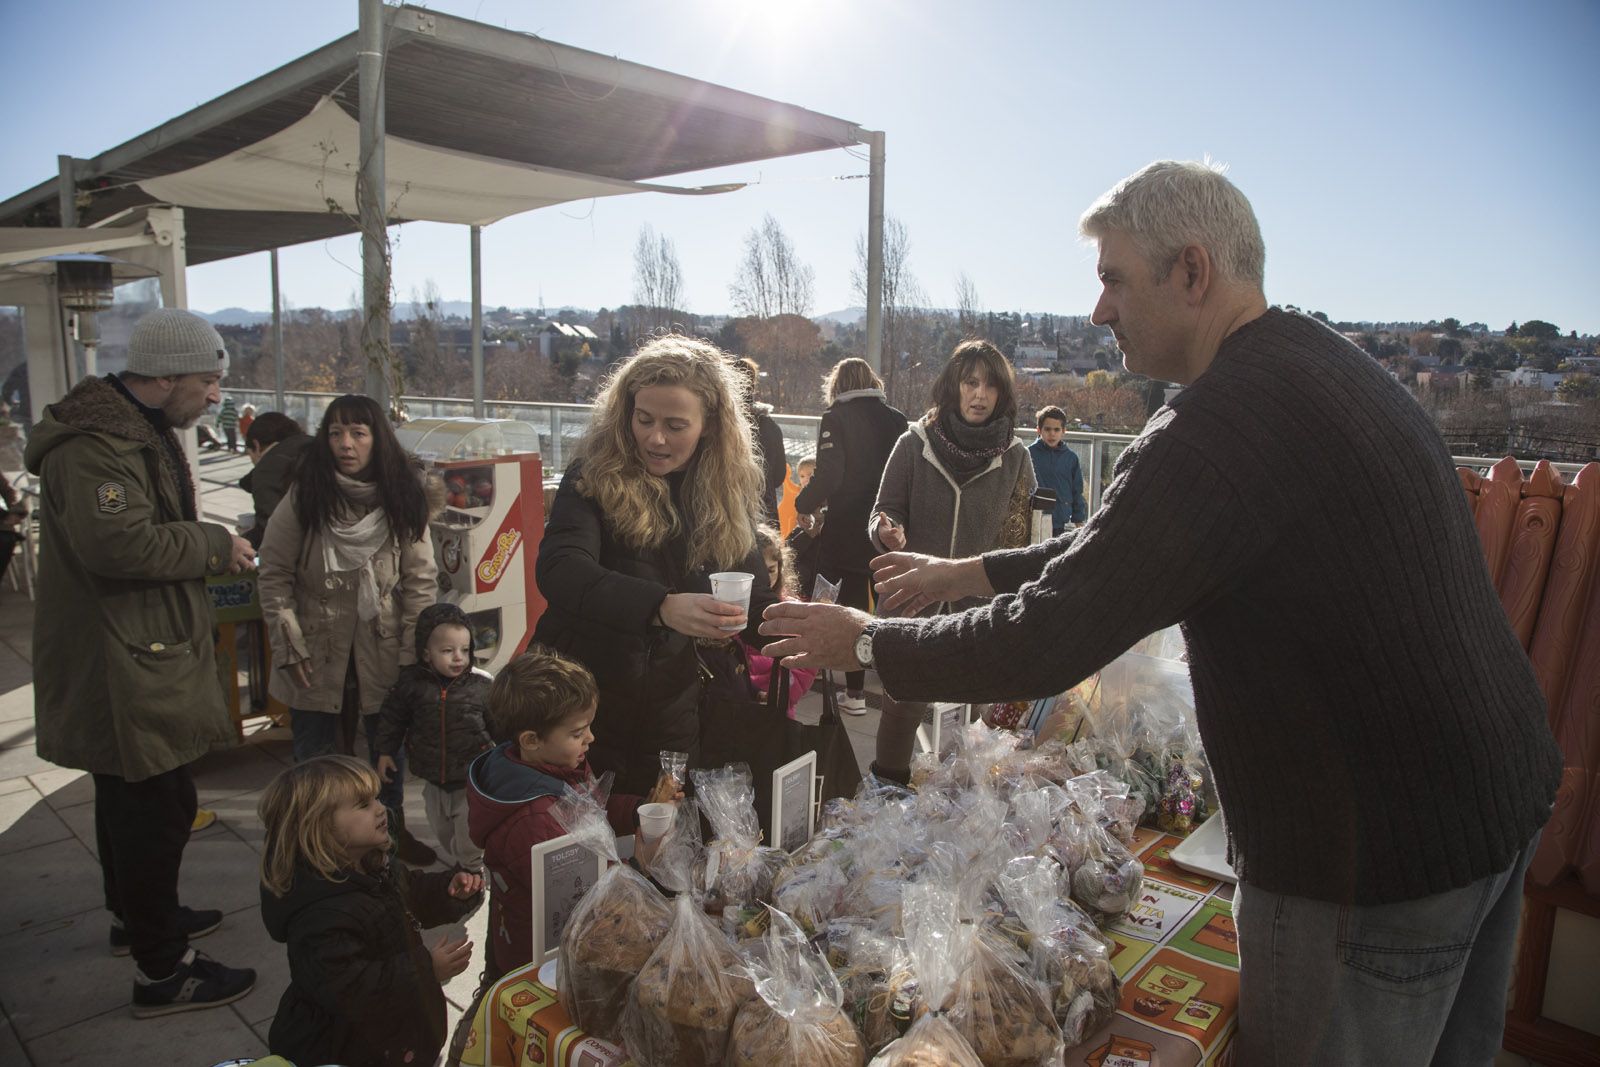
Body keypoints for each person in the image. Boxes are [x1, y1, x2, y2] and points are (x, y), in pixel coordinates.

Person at [759, 160, 1561, 1066]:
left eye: (1112, 279)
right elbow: (1130, 549)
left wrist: (868, 640)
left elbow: (1059, 629)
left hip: (1374, 860)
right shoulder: (1317, 365)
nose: (1099, 310)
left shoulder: (1220, 424)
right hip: (1489, 804)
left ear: (1192, 272)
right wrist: (962, 572)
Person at [25, 307, 258, 1016]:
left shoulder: (132, 430)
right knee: (155, 807)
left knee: (137, 799)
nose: (217, 397)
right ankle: (164, 970)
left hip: (134, 650)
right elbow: (119, 546)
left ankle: (140, 918)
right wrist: (216, 544)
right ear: (165, 377)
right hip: (122, 660)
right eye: (209, 381)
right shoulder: (97, 446)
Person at [532, 335, 778, 794]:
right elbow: (560, 568)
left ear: (709, 425)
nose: (655, 437)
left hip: (676, 707)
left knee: (664, 836)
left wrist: (805, 627)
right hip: (582, 705)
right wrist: (661, 607)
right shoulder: (593, 473)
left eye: (675, 425)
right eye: (643, 419)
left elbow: (754, 599)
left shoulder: (727, 488)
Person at [257, 393, 440, 866]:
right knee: (316, 766)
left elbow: (420, 585)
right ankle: (317, 857)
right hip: (316, 656)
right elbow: (273, 572)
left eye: (358, 432)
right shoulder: (306, 494)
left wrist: (412, 658)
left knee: (387, 764)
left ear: (378, 439)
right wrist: (287, 642)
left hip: (382, 655)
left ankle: (387, 849)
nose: (345, 443)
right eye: (335, 432)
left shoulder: (402, 497)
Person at [864, 339, 1033, 775]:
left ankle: (958, 811)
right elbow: (884, 511)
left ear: (1002, 395)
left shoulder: (1016, 458)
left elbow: (1020, 543)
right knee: (901, 713)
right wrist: (886, 530)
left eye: (990, 386)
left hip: (977, 608)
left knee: (973, 722)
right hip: (912, 602)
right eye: (970, 382)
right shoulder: (913, 443)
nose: (979, 394)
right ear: (953, 387)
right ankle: (886, 800)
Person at [465, 647, 677, 979]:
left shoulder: (556, 768)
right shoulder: (534, 818)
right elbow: (589, 897)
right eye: (577, 733)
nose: (590, 739)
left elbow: (593, 807)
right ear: (532, 740)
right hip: (545, 960)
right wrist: (639, 863)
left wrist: (638, 810)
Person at [259, 755, 483, 1067]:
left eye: (376, 798)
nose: (380, 808)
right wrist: (425, 970)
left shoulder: (369, 863)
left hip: (394, 1034)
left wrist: (449, 890)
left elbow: (411, 894)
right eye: (363, 805)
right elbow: (352, 990)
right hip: (348, 1047)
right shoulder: (320, 916)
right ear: (320, 828)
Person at [791, 358, 907, 711]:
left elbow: (830, 475)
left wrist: (803, 503)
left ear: (837, 385)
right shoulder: (897, 419)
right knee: (890, 605)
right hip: (889, 526)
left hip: (847, 530)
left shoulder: (835, 418)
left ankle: (854, 693)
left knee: (851, 608)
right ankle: (898, 690)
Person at [374, 603, 495, 873]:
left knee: (468, 835)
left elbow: (500, 725)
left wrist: (505, 758)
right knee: (442, 831)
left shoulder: (481, 688)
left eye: (465, 650)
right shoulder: (412, 686)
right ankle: (463, 859)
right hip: (433, 782)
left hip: (471, 781)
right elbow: (393, 719)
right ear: (427, 654)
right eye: (448, 651)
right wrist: (385, 751)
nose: (458, 658)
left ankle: (471, 869)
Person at [737, 525, 817, 718]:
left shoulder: (790, 608)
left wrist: (784, 690)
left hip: (777, 706)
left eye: (771, 570)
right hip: (737, 706)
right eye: (758, 573)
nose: (766, 578)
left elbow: (806, 665)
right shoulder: (731, 608)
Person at [239, 411, 313, 549]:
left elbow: (272, 533)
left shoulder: (267, 470)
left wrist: (244, 540)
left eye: (250, 455)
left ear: (256, 445)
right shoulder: (317, 447)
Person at [730, 356, 788, 524]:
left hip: (732, 514)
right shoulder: (770, 426)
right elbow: (778, 476)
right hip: (765, 513)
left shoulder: (722, 426)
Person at [1027, 404, 1088, 535]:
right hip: (1033, 521)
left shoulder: (1071, 458)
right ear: (1039, 430)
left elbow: (1077, 491)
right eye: (1047, 429)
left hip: (1061, 522)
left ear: (1064, 431)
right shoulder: (1028, 454)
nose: (1052, 434)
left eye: (1056, 429)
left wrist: (1079, 520)